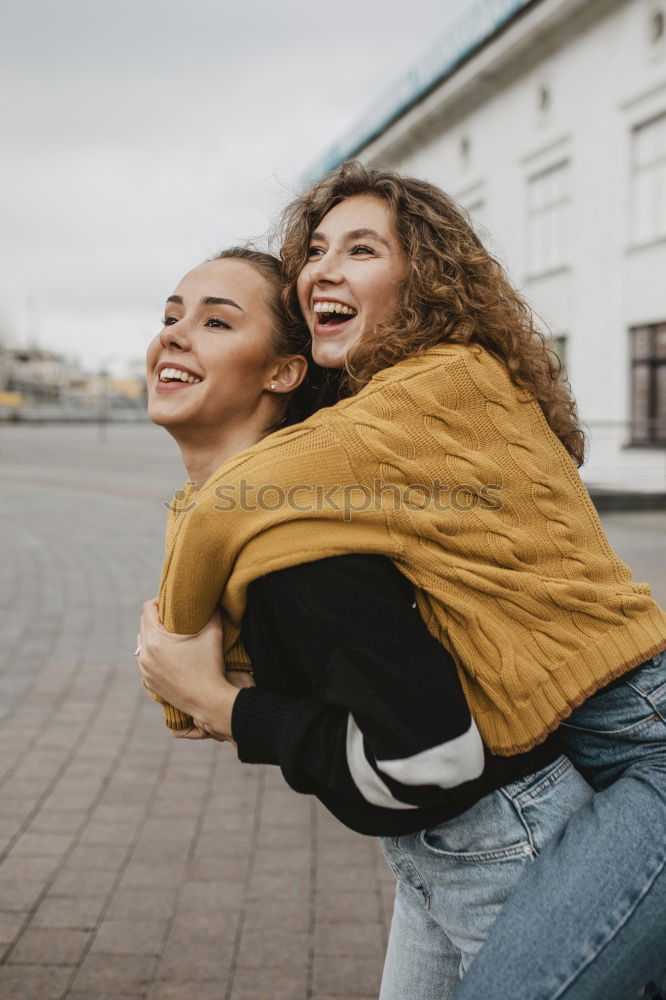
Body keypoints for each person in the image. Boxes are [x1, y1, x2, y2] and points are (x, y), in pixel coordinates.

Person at [139, 164, 666, 997]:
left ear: (425, 279)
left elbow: (223, 503)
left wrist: (190, 677)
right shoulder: (375, 436)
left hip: (644, 745)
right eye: (314, 251)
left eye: (361, 249)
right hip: (546, 769)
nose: (324, 270)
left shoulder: (435, 387)